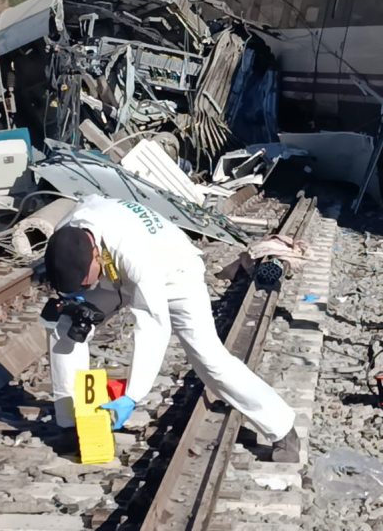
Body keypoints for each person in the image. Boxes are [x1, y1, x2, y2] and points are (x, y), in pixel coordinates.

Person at [43, 195, 299, 463]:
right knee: (66, 325)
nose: (86, 288)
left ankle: (282, 428)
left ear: (96, 255)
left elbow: (153, 326)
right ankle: (70, 425)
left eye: (86, 283)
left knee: (210, 360)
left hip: (175, 274)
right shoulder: (68, 232)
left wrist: (133, 395)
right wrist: (73, 301)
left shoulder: (133, 253)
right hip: (117, 274)